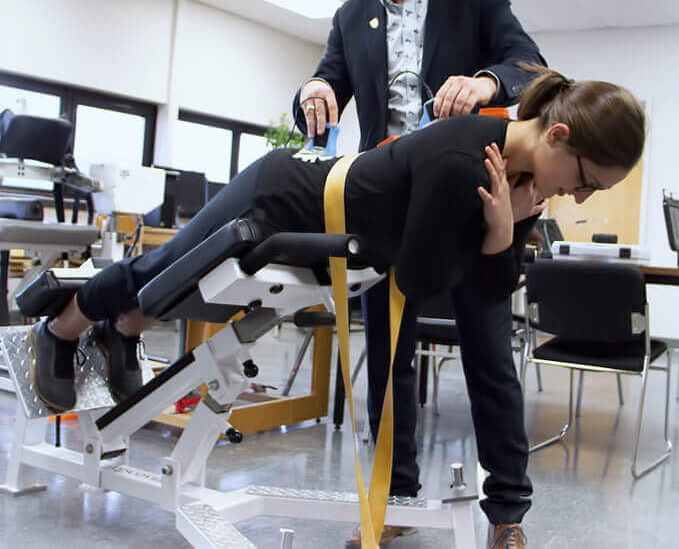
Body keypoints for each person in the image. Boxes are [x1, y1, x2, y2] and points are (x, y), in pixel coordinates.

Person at [30, 67, 644, 548]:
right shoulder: (465, 158)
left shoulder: (526, 179)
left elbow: (487, 277)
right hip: (283, 194)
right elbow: (424, 280)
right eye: (588, 179)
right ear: (558, 135)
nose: (583, 195)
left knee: (163, 290)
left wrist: (502, 233)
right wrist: (498, 234)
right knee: (160, 273)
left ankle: (120, 330)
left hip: (350, 233)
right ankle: (62, 327)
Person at [292, 0, 545, 549]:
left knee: (490, 355)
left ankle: (508, 515)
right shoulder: (352, 17)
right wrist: (315, 87)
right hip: (389, 212)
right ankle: (396, 494)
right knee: (389, 359)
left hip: (476, 201)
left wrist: (489, 80)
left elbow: (531, 67)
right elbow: (326, 85)